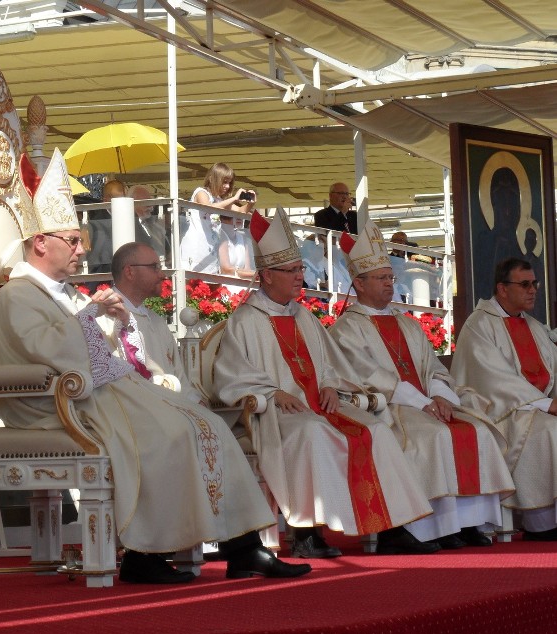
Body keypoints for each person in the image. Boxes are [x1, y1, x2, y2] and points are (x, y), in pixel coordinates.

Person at [0, 149, 311, 583]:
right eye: (74, 240)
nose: (84, 249)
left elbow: (95, 349)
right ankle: (143, 555)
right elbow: (45, 350)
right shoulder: (17, 295)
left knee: (207, 425)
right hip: (57, 403)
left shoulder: (67, 292)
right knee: (172, 434)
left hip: (97, 391)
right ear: (41, 242)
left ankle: (244, 547)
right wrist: (93, 318)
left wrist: (112, 323)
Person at [213, 209, 440, 558]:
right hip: (275, 413)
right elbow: (231, 375)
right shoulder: (245, 321)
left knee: (376, 429)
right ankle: (307, 533)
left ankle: (392, 529)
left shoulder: (305, 316)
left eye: (300, 269)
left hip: (321, 405)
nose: (299, 276)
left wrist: (332, 385)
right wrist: (272, 392)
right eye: (291, 271)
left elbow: (331, 364)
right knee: (313, 433)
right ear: (266, 276)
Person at [329, 221, 514, 548]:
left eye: (391, 277)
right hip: (391, 408)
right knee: (435, 435)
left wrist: (442, 397)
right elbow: (369, 377)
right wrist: (423, 403)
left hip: (428, 403)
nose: (389, 284)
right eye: (382, 278)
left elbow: (432, 368)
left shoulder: (407, 324)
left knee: (475, 430)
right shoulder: (347, 329)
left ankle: (465, 523)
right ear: (358, 283)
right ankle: (430, 528)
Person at [451, 257, 557, 540]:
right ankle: (542, 524)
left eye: (534, 283)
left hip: (535, 407)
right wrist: (548, 404)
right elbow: (493, 379)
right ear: (502, 288)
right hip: (499, 411)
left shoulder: (533, 326)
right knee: (551, 431)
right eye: (524, 284)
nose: (532, 289)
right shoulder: (479, 325)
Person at [108, 241, 202, 404]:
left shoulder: (157, 321)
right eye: (154, 267)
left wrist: (196, 402)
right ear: (130, 272)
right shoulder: (107, 317)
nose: (162, 275)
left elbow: (179, 378)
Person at [179, 162, 255, 274]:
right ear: (212, 179)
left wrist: (251, 203)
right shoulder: (201, 192)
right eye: (224, 182)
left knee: (211, 286)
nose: (227, 186)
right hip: (195, 249)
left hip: (211, 252)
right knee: (194, 286)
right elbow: (208, 208)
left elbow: (240, 211)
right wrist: (234, 198)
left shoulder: (220, 200)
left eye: (229, 183)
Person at [86, 178, 126, 273]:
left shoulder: (130, 217)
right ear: (105, 200)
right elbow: (94, 257)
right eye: (118, 200)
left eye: (124, 199)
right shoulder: (96, 223)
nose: (122, 204)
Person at [131, 184, 167, 258]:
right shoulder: (128, 226)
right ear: (132, 204)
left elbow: (167, 249)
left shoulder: (155, 226)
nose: (150, 207)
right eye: (146, 203)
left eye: (150, 202)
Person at [217, 214, 256, 283]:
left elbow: (247, 268)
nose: (239, 218)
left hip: (243, 283)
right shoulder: (219, 236)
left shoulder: (242, 238)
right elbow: (226, 269)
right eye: (234, 214)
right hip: (225, 284)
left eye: (241, 214)